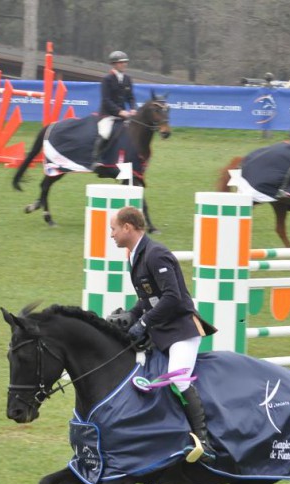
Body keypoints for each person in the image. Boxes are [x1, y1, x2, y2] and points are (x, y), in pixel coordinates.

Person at [107, 206, 218, 460]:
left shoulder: (156, 254)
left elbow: (173, 298)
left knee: (178, 379)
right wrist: (131, 316)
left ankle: (203, 441)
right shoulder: (134, 255)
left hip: (181, 331)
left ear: (127, 227)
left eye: (113, 229)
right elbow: (148, 298)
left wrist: (143, 323)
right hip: (161, 331)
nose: (111, 234)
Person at [90, 51, 137, 170]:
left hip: (123, 115)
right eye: (121, 62)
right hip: (107, 114)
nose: (124, 64)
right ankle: (96, 159)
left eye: (125, 62)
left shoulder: (127, 79)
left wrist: (133, 108)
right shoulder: (107, 79)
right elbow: (106, 100)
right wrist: (119, 111)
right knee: (104, 132)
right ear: (114, 64)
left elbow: (130, 97)